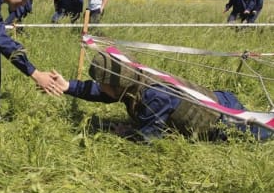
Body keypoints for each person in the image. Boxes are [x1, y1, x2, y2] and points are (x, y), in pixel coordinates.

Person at [52, 52, 273, 142]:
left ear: (117, 83)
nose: (99, 87)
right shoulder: (132, 82)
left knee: (267, 133)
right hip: (220, 102)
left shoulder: (152, 95)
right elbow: (99, 91)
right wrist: (67, 86)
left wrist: (126, 133)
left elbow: (150, 137)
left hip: (224, 120)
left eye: (103, 82)